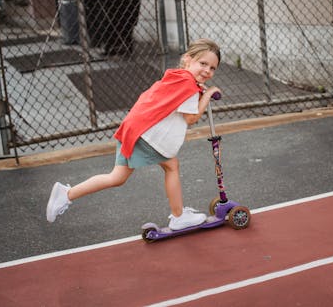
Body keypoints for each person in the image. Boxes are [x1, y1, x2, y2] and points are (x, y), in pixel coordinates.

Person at [47, 38, 222, 230]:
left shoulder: (178, 77)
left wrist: (200, 91)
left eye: (213, 68)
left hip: (135, 128)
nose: (207, 71)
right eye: (203, 63)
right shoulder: (188, 86)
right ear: (188, 59)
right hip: (146, 136)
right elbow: (191, 118)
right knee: (171, 166)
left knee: (117, 177)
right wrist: (207, 94)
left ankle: (67, 194)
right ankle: (178, 215)